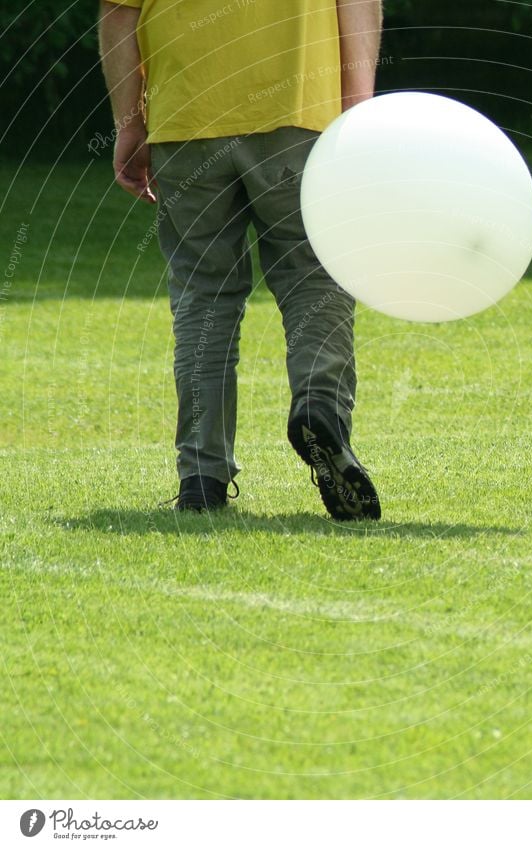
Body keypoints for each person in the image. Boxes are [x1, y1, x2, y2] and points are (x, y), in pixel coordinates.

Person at [98, 0, 382, 520]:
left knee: (204, 295)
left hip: (184, 117)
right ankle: (321, 410)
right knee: (315, 279)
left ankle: (202, 476)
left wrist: (130, 124)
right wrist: (358, 108)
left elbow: (119, 14)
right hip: (302, 114)